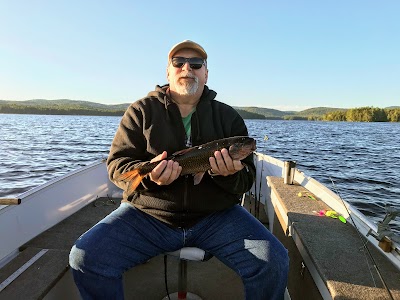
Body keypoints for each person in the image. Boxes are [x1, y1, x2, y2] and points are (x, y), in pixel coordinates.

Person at [69, 40, 289, 299]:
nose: (187, 68)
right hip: (148, 215)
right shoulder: (140, 111)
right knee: (86, 257)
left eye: (196, 64)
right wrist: (150, 178)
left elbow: (247, 178)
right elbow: (118, 166)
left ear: (206, 74)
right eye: (179, 62)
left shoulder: (229, 118)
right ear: (168, 71)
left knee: (274, 261)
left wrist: (228, 174)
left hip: (216, 216)